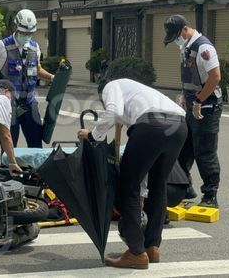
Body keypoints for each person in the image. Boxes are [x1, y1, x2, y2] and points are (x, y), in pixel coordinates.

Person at [77, 78, 187, 269]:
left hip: (153, 126)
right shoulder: (139, 92)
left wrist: (93, 135)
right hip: (179, 125)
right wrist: (142, 194)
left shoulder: (111, 86)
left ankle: (136, 252)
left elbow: (113, 112)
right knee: (158, 185)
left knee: (127, 185)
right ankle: (152, 247)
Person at [163, 14, 223, 208]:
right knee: (183, 148)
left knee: (204, 152)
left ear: (184, 29)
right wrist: (184, 97)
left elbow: (215, 77)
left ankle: (210, 196)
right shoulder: (186, 47)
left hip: (207, 106)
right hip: (191, 105)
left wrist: (198, 100)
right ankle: (185, 187)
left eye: (176, 35)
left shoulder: (203, 47)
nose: (175, 40)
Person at [0, 9, 54, 148]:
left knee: (36, 144)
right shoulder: (0, 46)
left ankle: (34, 170)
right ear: (15, 28)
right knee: (9, 144)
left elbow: (37, 69)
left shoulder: (34, 47)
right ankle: (7, 169)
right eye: (24, 33)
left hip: (29, 102)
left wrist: (52, 77)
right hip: (8, 103)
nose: (27, 36)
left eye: (30, 34)